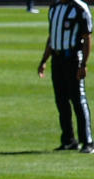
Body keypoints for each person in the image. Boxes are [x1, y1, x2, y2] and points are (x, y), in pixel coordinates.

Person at [39, 0, 94, 152]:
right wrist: (44, 60)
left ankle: (88, 141)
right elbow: (52, 36)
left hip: (73, 58)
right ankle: (69, 140)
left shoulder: (79, 8)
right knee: (61, 100)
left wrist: (83, 64)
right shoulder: (54, 7)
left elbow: (87, 37)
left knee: (78, 99)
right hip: (57, 58)